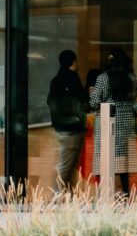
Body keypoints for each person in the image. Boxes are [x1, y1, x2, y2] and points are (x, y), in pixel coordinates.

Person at [90, 48, 137, 195]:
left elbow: (94, 102)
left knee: (107, 159)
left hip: (107, 122)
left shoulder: (102, 79)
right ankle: (126, 193)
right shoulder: (132, 78)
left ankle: (107, 194)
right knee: (124, 162)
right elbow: (135, 100)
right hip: (127, 123)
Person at [47, 50, 87, 191]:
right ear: (74, 62)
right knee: (68, 166)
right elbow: (81, 99)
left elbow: (50, 102)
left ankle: (66, 198)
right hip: (73, 129)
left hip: (60, 128)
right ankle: (57, 197)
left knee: (67, 165)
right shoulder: (72, 78)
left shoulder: (56, 79)